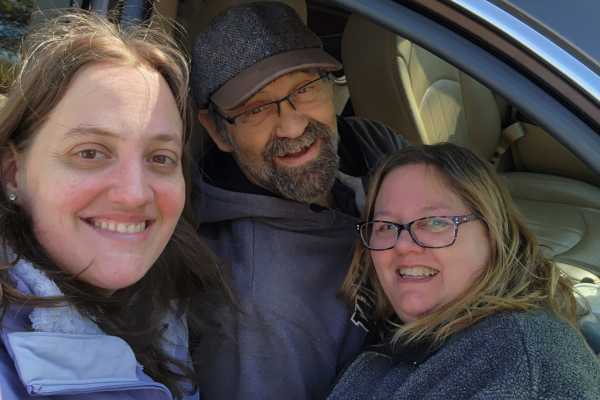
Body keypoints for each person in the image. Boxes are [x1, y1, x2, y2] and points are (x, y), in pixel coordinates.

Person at [0, 11, 231, 400]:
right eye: (90, 152)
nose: (135, 194)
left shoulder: (167, 311)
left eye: (161, 158)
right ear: (12, 173)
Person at [189, 2, 408, 399]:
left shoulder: (375, 144)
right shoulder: (257, 309)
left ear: (330, 85)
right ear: (219, 132)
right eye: (254, 109)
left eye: (304, 89)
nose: (292, 125)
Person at [326, 143, 600, 399]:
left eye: (435, 222)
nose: (403, 246)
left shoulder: (520, 371)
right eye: (386, 226)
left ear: (493, 233)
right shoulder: (432, 325)